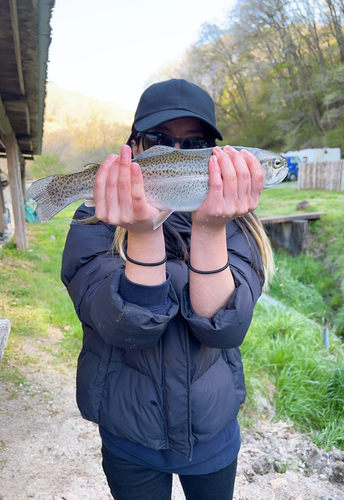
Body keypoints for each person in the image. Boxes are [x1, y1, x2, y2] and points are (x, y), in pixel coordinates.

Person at [61, 78, 274, 500]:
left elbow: (225, 330)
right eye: (160, 141)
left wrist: (210, 228)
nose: (176, 156)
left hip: (212, 433)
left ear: (216, 157)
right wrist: (142, 233)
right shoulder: (94, 222)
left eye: (193, 146)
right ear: (135, 148)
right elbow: (126, 329)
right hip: (129, 437)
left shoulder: (239, 224)